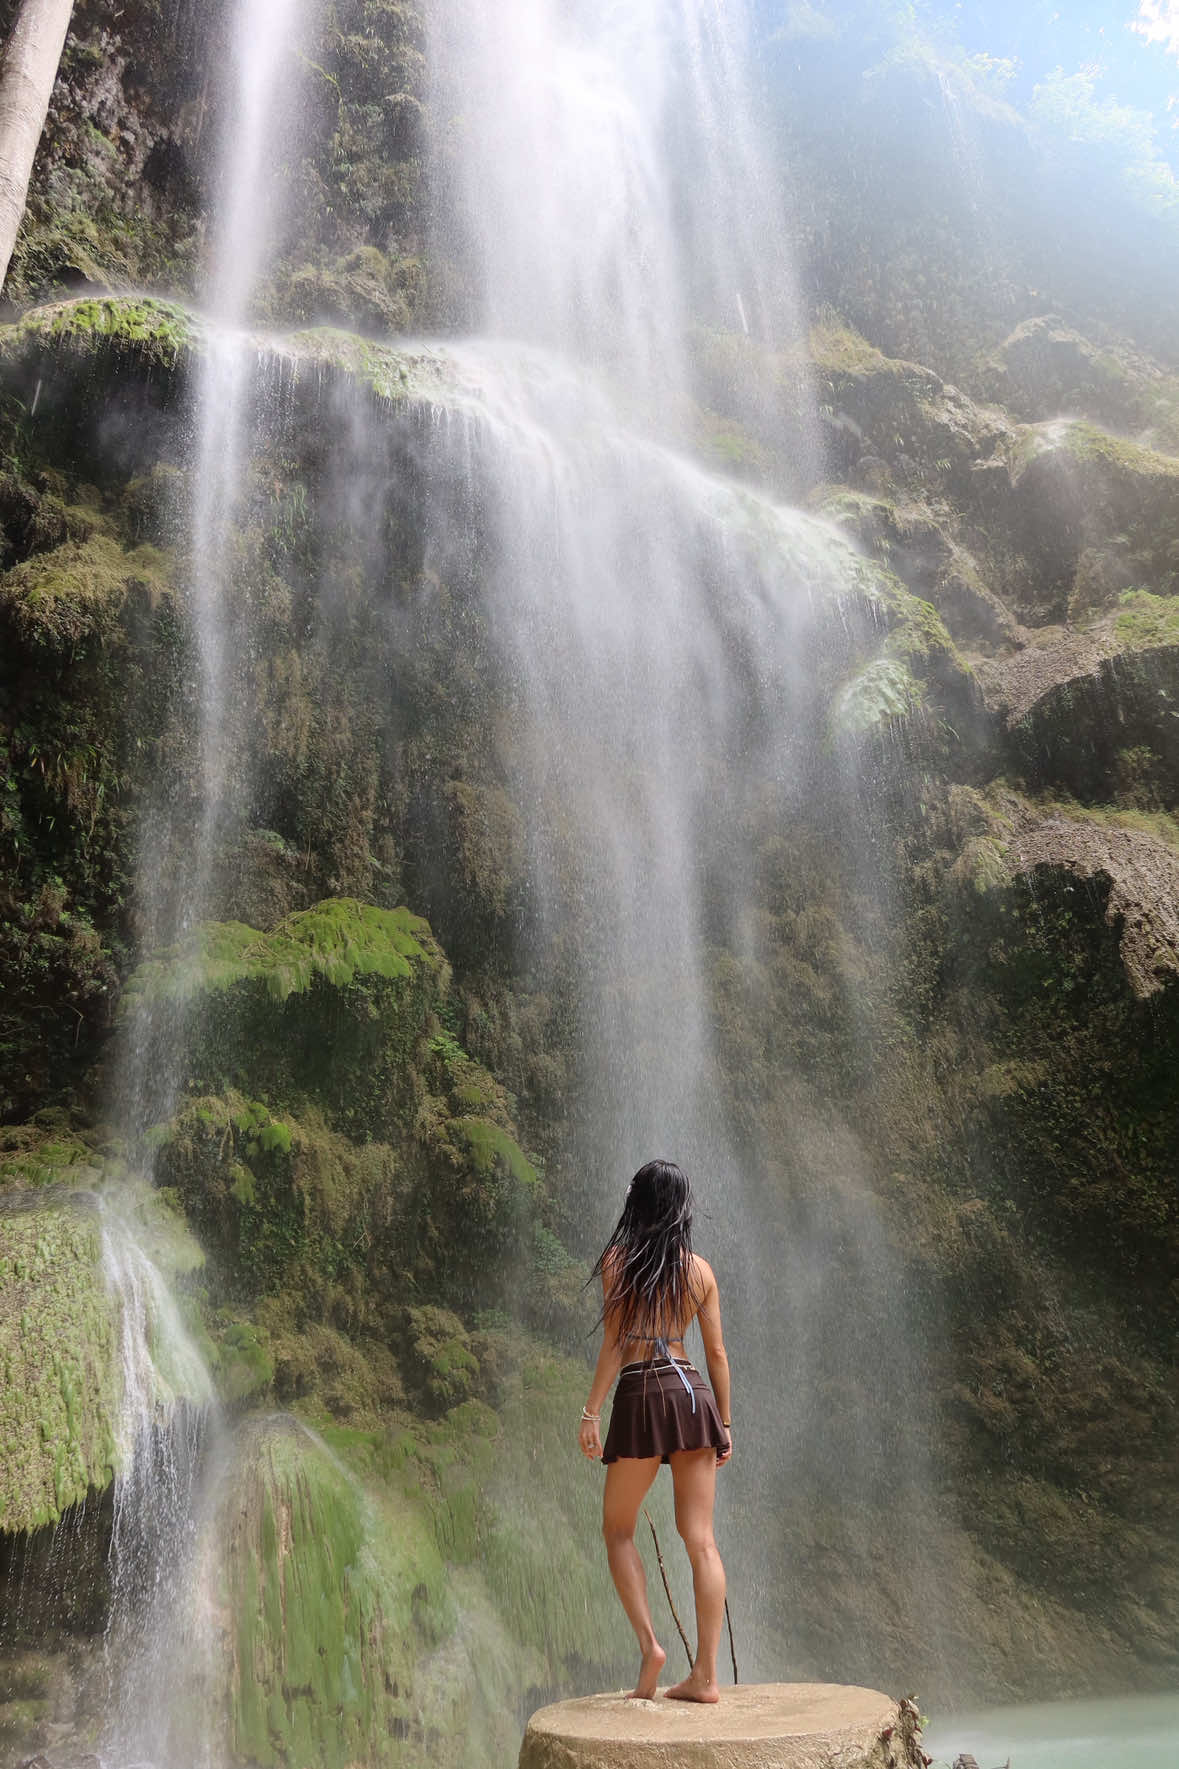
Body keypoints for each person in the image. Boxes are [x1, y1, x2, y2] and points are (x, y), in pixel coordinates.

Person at [578, 1159, 732, 1703]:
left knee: (618, 1529)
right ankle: (706, 1676)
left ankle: (650, 1648)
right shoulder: (700, 1271)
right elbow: (716, 1353)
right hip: (692, 1396)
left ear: (637, 1203)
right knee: (701, 1540)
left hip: (642, 1392)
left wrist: (591, 1411)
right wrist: (725, 1423)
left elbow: (615, 1343)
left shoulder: (618, 1262)